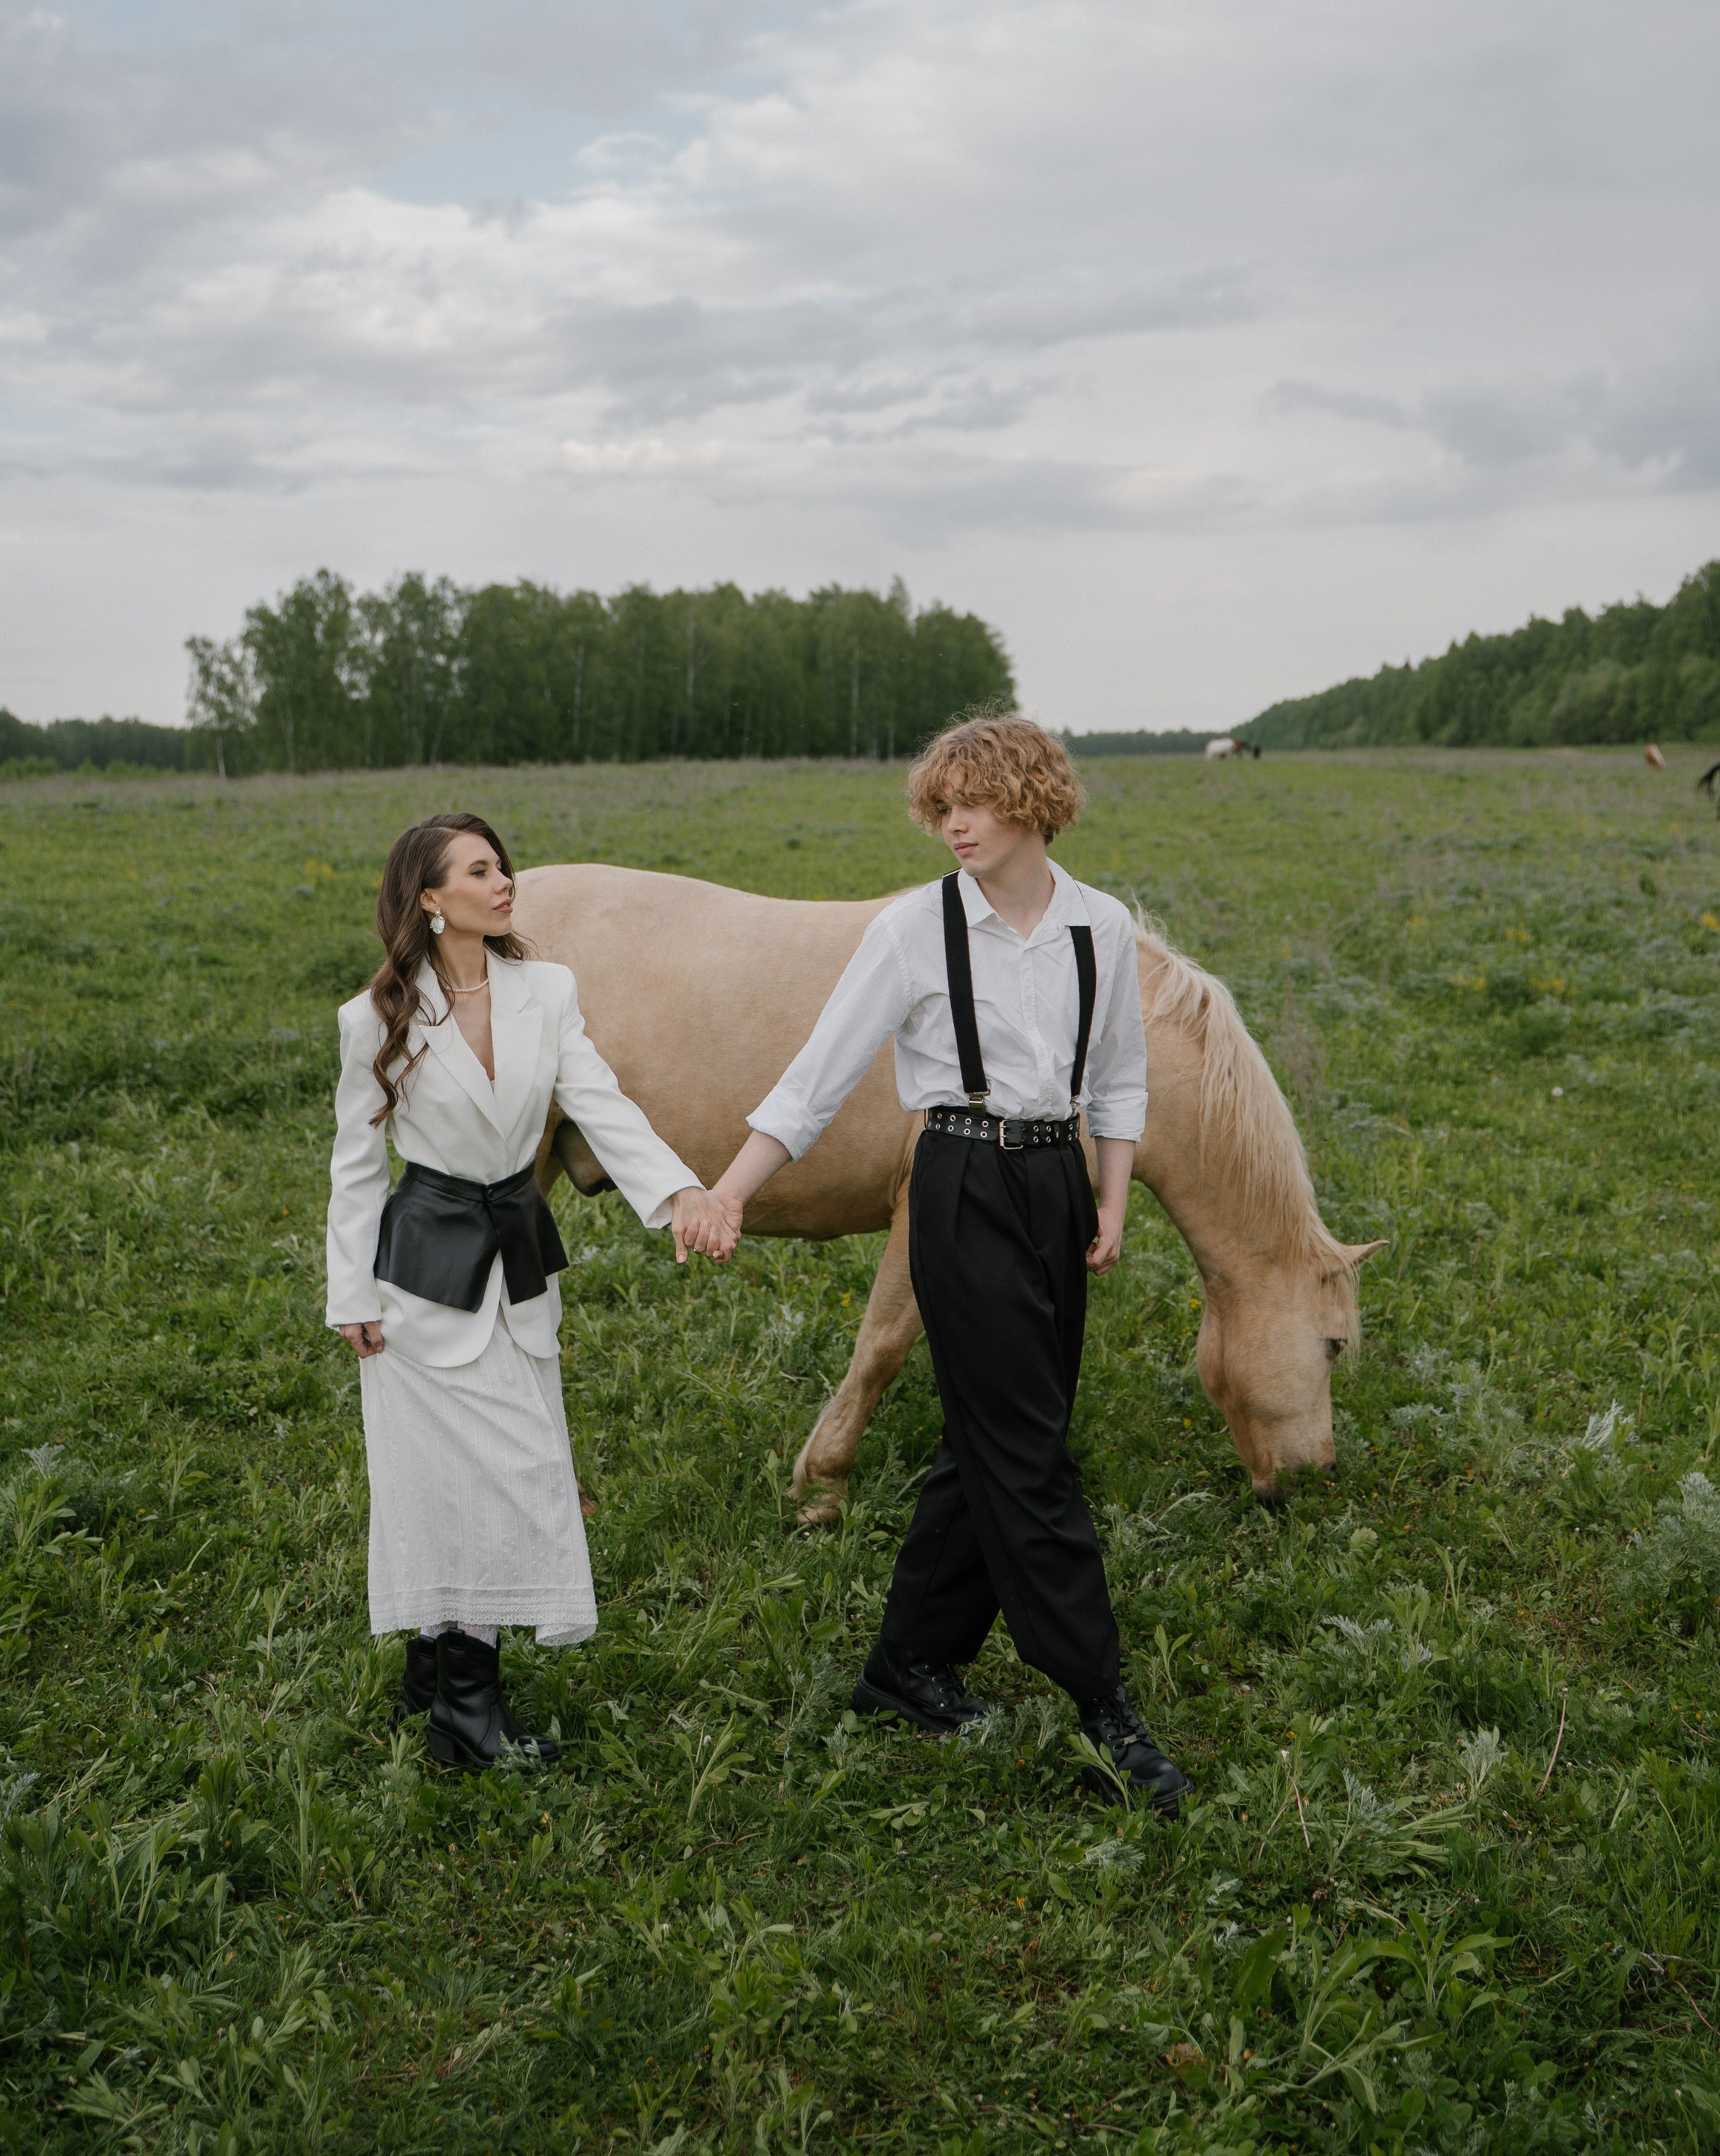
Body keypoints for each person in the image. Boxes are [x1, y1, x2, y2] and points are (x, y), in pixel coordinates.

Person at [706, 717, 1187, 1813]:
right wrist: (732, 1188)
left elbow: (1116, 1079)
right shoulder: (913, 929)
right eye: (940, 807)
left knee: (993, 1439)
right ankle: (1104, 1709)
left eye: (971, 802)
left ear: (1031, 802)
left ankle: (906, 1670)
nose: (952, 824)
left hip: (1057, 1180)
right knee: (1030, 1455)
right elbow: (817, 1078)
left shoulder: (1099, 928)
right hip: (959, 1183)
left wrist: (1108, 1199)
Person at [327, 811, 730, 1770]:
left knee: (503, 1472)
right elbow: (355, 1164)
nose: (504, 879)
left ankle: (434, 1673)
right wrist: (352, 1294)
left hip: (517, 1265)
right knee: (466, 1484)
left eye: (501, 864)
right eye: (479, 869)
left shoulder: (546, 990)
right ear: (431, 898)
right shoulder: (373, 1017)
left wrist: (678, 1190)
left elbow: (599, 1100)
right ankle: (464, 1716)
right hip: (419, 1284)